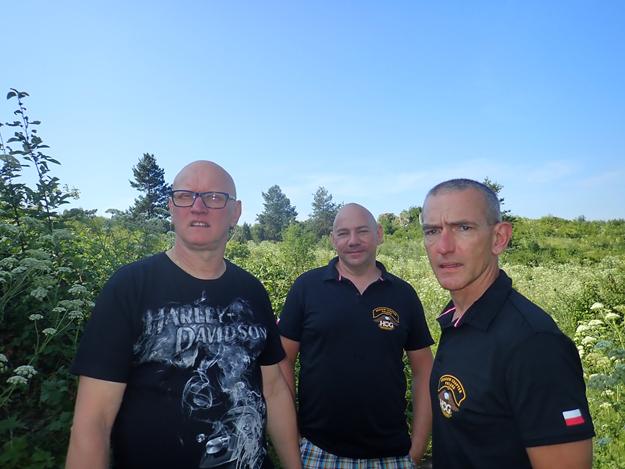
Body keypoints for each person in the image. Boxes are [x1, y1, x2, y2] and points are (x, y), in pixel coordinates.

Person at [66, 161, 301, 469]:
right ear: (171, 207)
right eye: (185, 196)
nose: (198, 207)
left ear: (236, 212)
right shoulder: (130, 287)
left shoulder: (252, 291)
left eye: (214, 197)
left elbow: (274, 390)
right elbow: (93, 422)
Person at [420, 178, 595, 469]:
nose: (444, 246)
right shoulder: (456, 318)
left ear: (499, 238)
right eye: (432, 231)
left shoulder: (534, 344)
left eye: (463, 228)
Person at [279, 203, 434, 468]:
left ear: (379, 234)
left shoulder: (403, 294)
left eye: (362, 231)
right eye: (343, 233)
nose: (353, 241)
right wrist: (291, 438)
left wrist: (418, 446)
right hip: (317, 451)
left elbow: (424, 370)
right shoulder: (307, 288)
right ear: (333, 239)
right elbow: (283, 362)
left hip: (392, 454)